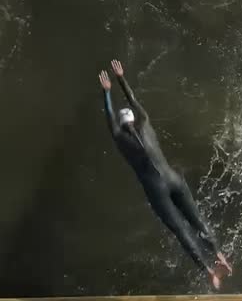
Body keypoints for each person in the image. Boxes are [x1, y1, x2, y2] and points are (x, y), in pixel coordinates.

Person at [99, 59, 233, 289]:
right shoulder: (146, 123)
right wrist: (120, 79)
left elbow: (110, 118)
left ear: (122, 125)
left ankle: (209, 271)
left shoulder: (121, 139)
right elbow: (133, 100)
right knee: (196, 220)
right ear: (135, 119)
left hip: (157, 190)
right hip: (173, 179)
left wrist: (106, 93)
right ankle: (219, 254)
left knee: (182, 230)